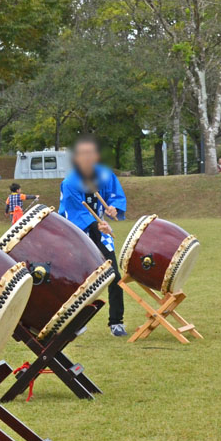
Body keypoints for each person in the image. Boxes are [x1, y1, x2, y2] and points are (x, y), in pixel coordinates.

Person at [59, 135, 128, 337]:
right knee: (75, 280)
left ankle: (116, 322)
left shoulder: (105, 176)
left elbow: (115, 196)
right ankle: (73, 323)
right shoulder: (70, 182)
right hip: (76, 234)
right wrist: (100, 226)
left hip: (101, 229)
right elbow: (76, 214)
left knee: (114, 276)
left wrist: (114, 208)